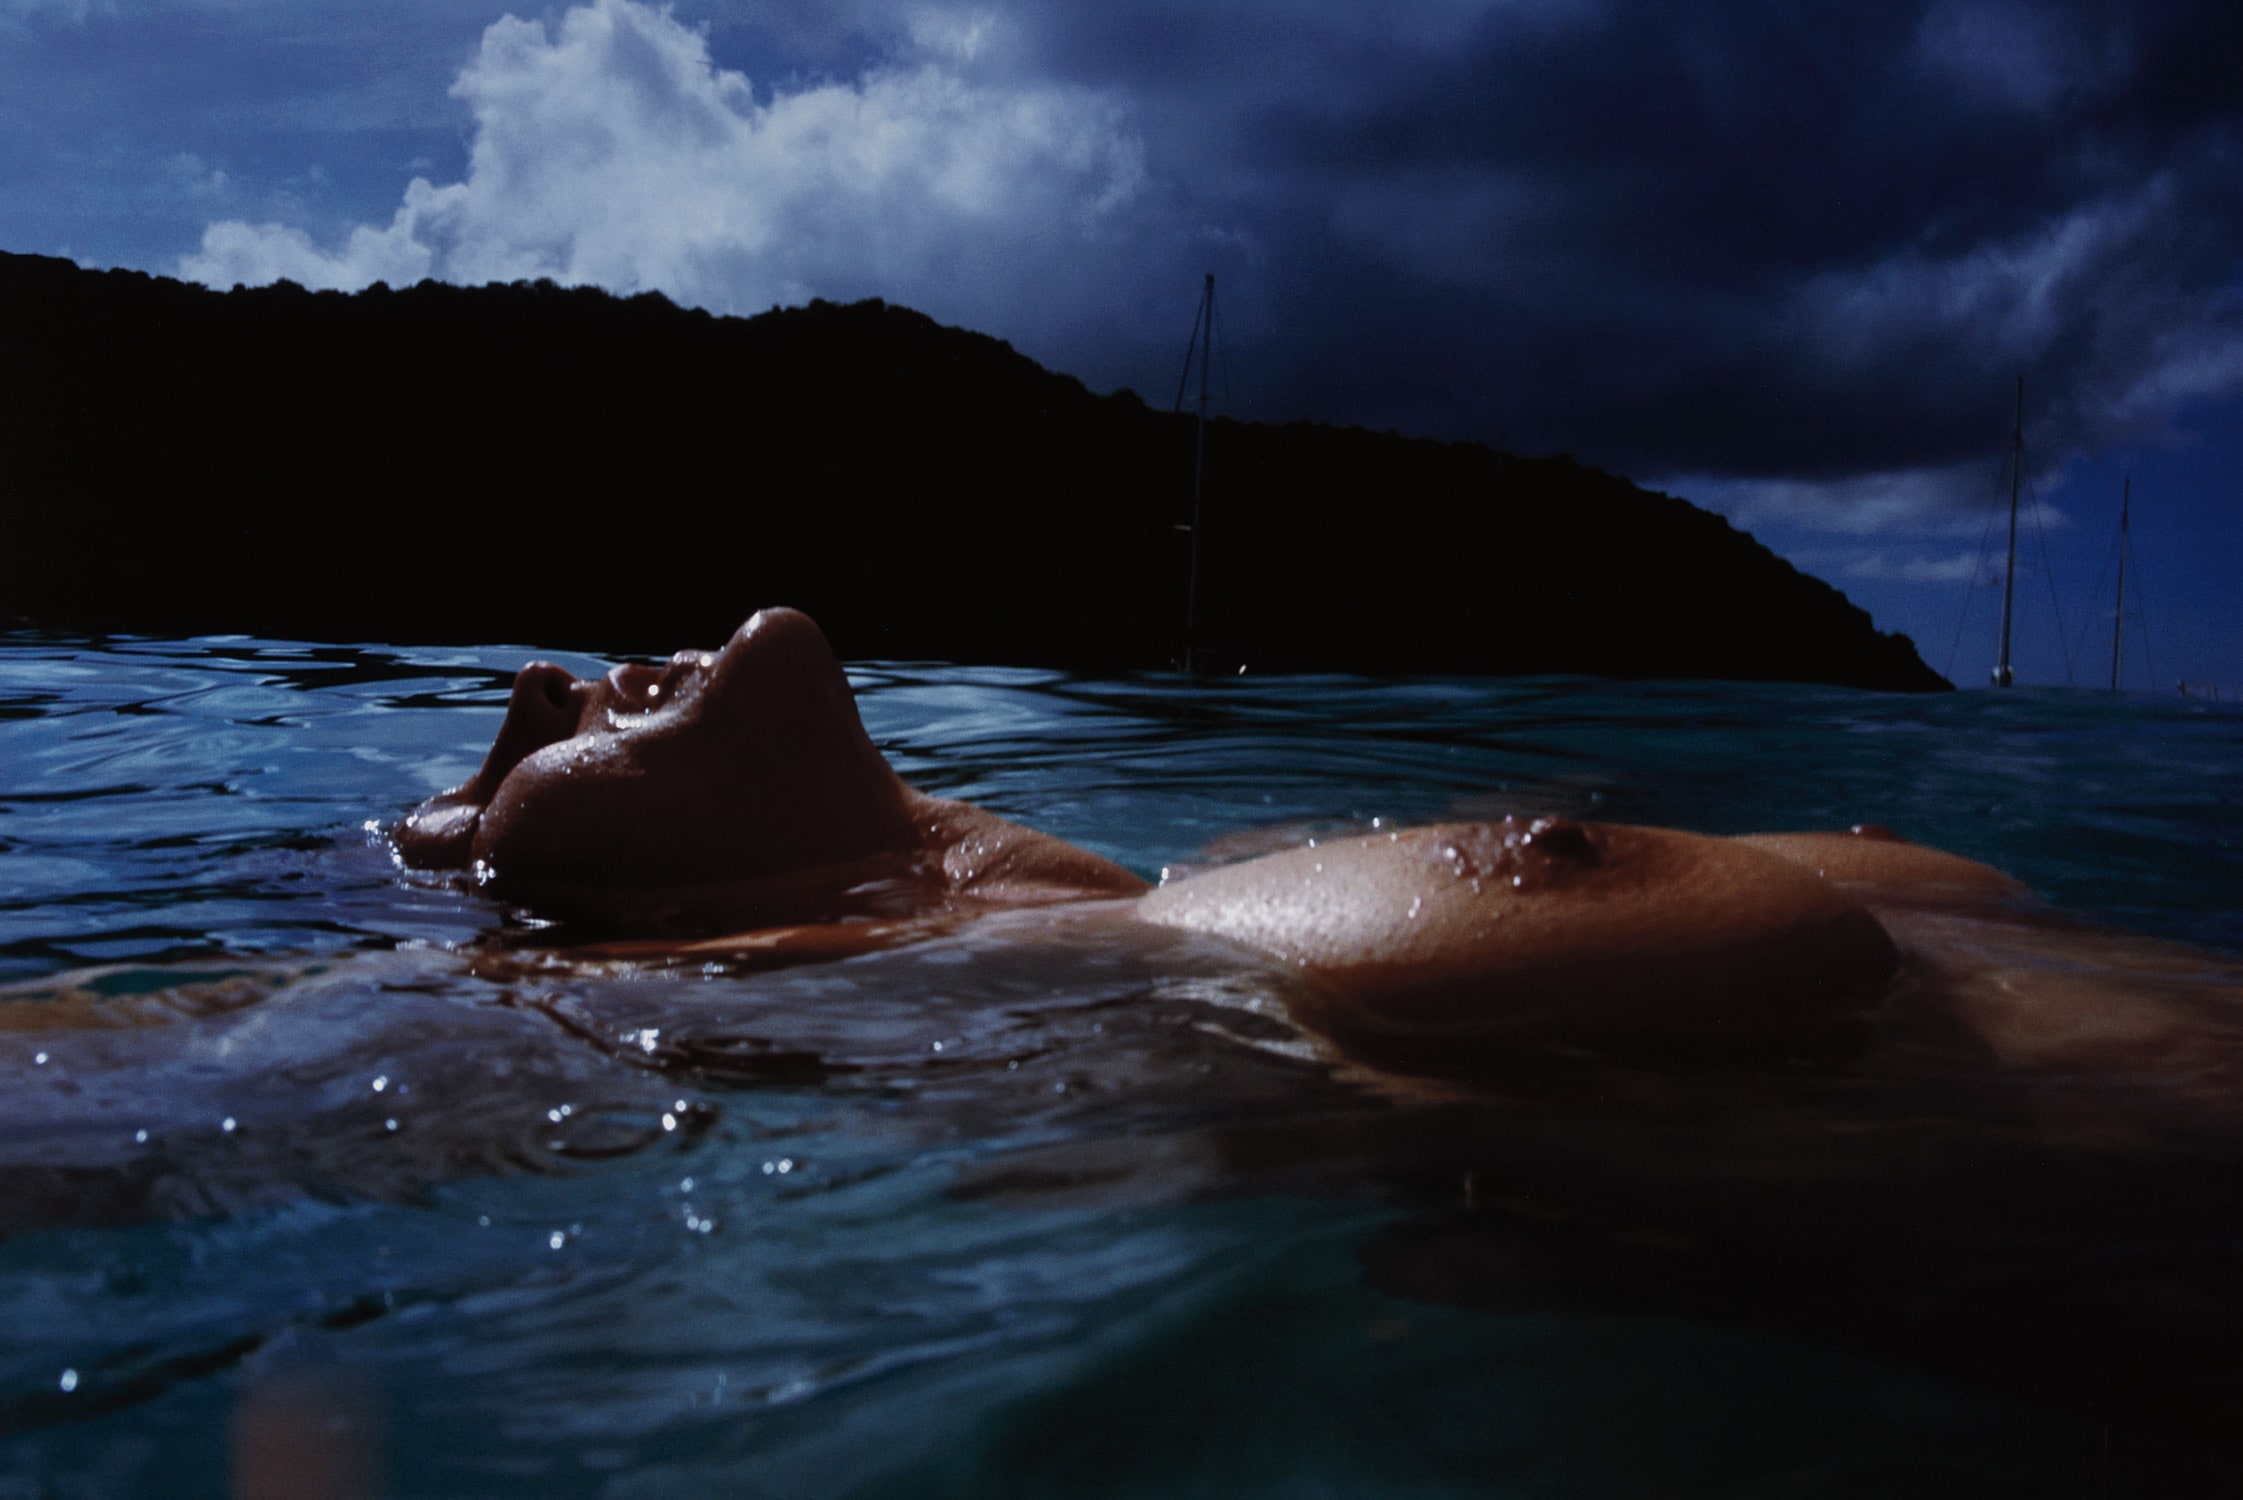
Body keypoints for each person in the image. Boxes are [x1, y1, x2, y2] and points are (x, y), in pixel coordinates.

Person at [398, 606, 2213, 1084]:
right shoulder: (1032, 993)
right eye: (548, 740)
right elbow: (138, 1094)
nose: (572, 679)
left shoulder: (1213, 880)